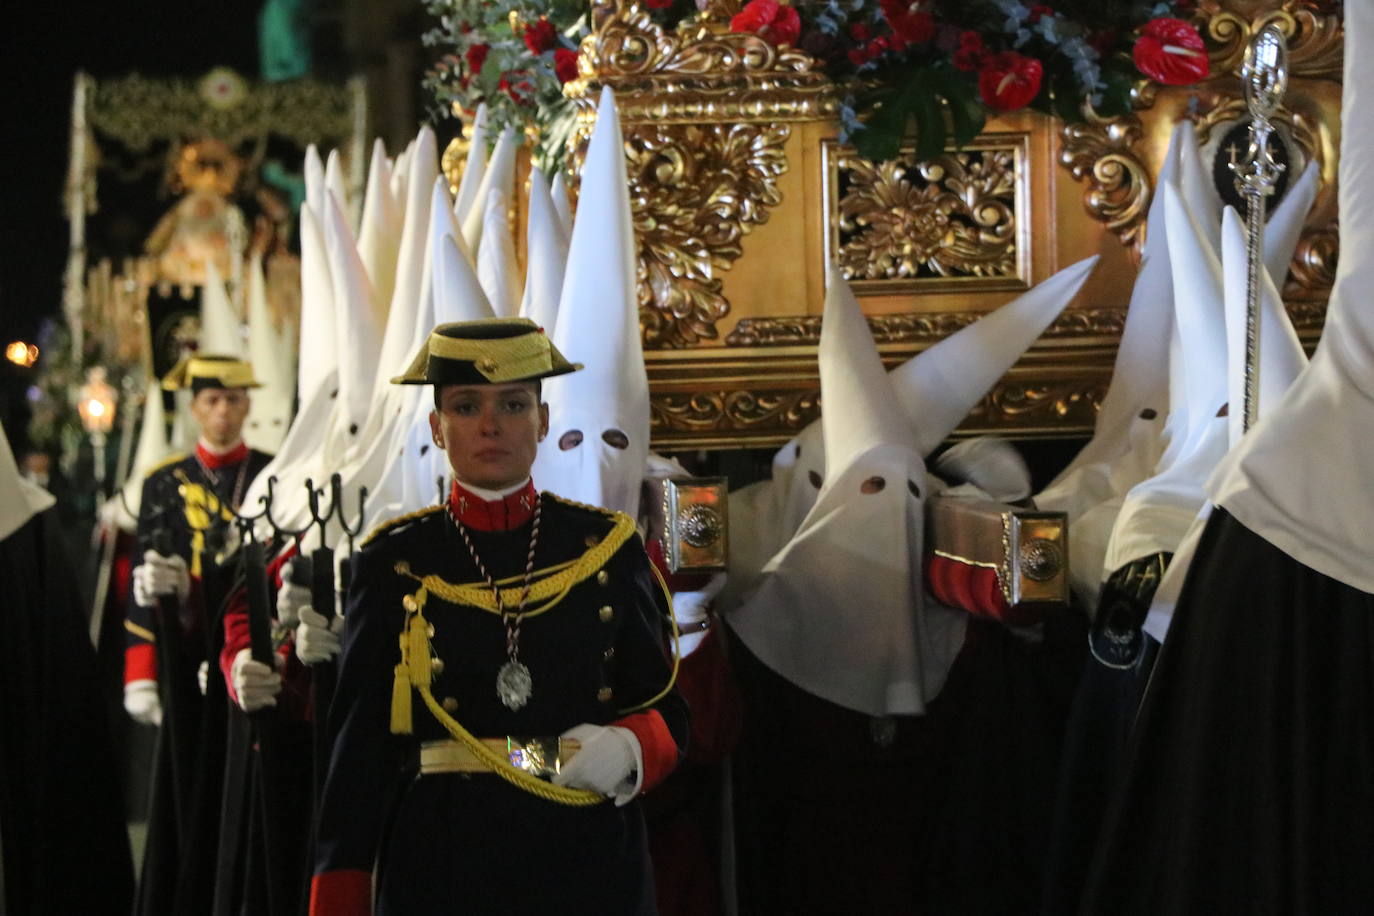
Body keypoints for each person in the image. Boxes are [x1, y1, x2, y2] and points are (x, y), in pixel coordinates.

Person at [309, 318, 688, 915]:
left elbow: (668, 705)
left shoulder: (605, 547)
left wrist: (631, 746)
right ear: (436, 427)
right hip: (443, 862)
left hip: (585, 855)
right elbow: (359, 751)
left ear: (541, 421)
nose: (490, 425)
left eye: (513, 404)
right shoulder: (395, 563)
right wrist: (340, 896)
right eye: (466, 406)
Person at [124, 353, 273, 915]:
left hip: (251, 651)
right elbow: (143, 580)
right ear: (193, 408)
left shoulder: (270, 471)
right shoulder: (165, 482)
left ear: (248, 405)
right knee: (184, 783)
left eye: (234, 399)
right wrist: (140, 673)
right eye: (212, 400)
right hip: (185, 659)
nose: (223, 410)